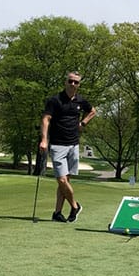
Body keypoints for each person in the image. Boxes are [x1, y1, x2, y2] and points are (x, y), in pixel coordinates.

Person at [39, 71, 96, 223]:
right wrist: (44, 140)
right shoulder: (55, 100)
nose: (72, 84)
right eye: (70, 81)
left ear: (79, 85)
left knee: (65, 181)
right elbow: (45, 119)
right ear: (65, 82)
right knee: (62, 180)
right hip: (58, 145)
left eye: (76, 82)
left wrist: (83, 123)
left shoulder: (80, 101)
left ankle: (57, 213)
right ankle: (75, 206)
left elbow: (92, 111)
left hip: (73, 145)